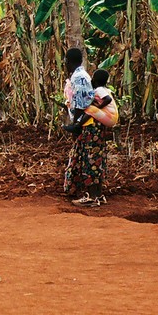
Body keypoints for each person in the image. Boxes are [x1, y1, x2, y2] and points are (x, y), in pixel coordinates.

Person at [61, 48, 108, 208]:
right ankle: (96, 195)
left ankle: (92, 197)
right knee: (91, 159)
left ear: (68, 61)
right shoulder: (81, 76)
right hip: (89, 123)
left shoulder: (79, 77)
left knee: (90, 160)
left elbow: (82, 104)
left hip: (89, 125)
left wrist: (76, 125)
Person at [64, 68, 117, 135]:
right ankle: (77, 124)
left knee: (90, 109)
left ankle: (77, 126)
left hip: (111, 118)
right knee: (90, 107)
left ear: (94, 79)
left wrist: (99, 107)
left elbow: (108, 99)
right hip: (111, 117)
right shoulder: (103, 89)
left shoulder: (99, 89)